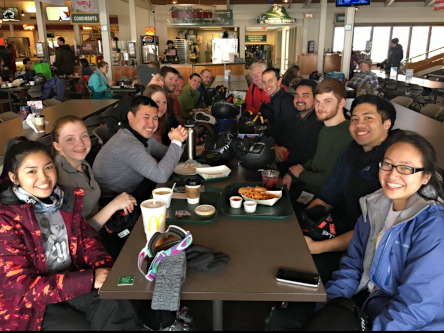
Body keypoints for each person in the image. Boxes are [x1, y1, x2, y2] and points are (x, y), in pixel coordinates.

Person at [267, 131, 444, 331]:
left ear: (426, 177)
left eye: (405, 168)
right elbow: (352, 267)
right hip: (366, 302)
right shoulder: (374, 207)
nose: (393, 174)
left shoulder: (433, 225)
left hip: (404, 322)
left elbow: (417, 306)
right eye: (387, 164)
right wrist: (325, 308)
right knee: (283, 320)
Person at [0, 139, 144, 331]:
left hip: (69, 283)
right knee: (81, 326)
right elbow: (22, 290)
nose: (43, 177)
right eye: (32, 171)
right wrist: (90, 279)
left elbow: (88, 240)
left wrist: (103, 271)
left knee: (114, 300)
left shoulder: (62, 201)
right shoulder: (6, 220)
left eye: (48, 167)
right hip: (30, 307)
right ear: (14, 177)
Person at [302, 94, 397, 284]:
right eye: (354, 119)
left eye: (368, 118)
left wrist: (317, 247)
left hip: (373, 248)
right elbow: (329, 196)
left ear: (387, 123)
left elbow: (373, 229)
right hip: (344, 227)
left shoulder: (393, 164)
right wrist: (301, 223)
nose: (359, 124)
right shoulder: (350, 152)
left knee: (309, 270)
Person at [52, 116, 138, 257]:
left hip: (100, 233)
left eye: (84, 136)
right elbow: (74, 237)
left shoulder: (83, 164)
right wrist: (113, 205)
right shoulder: (59, 178)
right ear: (57, 146)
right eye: (70, 139)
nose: (80, 143)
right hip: (84, 249)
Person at [93, 96, 188, 200]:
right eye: (146, 117)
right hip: (112, 202)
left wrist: (180, 140)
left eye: (155, 118)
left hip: (132, 192)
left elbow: (166, 153)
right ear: (130, 117)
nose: (151, 123)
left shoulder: (142, 136)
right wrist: (176, 142)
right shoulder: (127, 143)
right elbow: (161, 176)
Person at [283, 79, 352, 198]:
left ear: (341, 103)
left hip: (325, 198)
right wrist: (291, 174)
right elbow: (317, 158)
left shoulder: (345, 134)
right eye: (317, 101)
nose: (320, 107)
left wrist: (301, 174)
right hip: (309, 189)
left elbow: (329, 179)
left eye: (327, 101)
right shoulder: (325, 128)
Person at [275, 80, 324, 176]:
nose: (299, 99)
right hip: (282, 169)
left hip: (297, 177)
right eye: (297, 95)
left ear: (315, 99)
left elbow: (312, 156)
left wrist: (286, 155)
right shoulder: (294, 117)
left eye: (305, 95)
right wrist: (275, 148)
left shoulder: (318, 123)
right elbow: (281, 138)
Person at [261, 68, 297, 141]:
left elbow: (287, 130)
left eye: (270, 81)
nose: (267, 85)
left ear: (279, 81)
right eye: (264, 82)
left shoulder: (287, 101)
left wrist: (265, 129)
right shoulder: (275, 98)